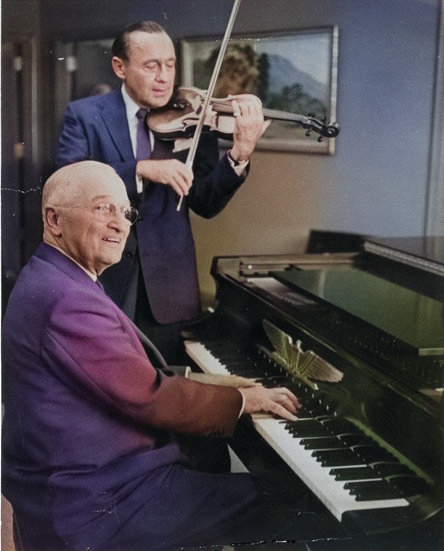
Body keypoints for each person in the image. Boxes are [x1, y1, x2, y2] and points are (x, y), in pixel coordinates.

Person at [2, 161, 307, 551]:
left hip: (78, 485)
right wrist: (245, 399)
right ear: (54, 219)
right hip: (96, 502)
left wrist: (217, 382)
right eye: (102, 208)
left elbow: (121, 375)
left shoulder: (55, 277)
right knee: (283, 501)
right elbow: (149, 395)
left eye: (125, 211)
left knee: (217, 462)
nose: (120, 223)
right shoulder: (66, 299)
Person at [55, 20, 267, 364]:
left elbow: (205, 202)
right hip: (101, 278)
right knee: (101, 384)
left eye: (170, 65)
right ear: (119, 67)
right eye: (151, 66)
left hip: (167, 285)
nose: (164, 77)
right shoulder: (84, 115)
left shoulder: (193, 118)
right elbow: (66, 183)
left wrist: (239, 155)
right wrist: (141, 169)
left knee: (162, 390)